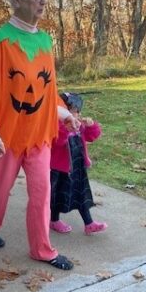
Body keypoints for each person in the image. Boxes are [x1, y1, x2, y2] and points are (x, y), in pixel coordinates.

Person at [0, 0, 79, 270]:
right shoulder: (1, 41)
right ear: (17, 0)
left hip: (39, 135)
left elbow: (46, 91)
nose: (42, 2)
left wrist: (65, 114)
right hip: (8, 136)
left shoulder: (44, 41)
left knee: (42, 192)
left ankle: (42, 248)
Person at [50, 92, 108, 235]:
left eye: (78, 112)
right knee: (57, 195)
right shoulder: (55, 126)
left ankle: (89, 223)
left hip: (77, 167)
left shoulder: (79, 126)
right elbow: (57, 143)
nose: (76, 115)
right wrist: (66, 129)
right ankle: (54, 220)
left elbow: (92, 136)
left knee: (81, 194)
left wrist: (91, 126)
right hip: (59, 169)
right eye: (73, 112)